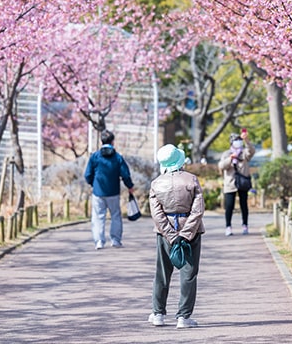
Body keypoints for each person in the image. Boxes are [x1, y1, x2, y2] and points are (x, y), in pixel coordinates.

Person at [148, 144, 205, 329]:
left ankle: (158, 313)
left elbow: (157, 215)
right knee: (188, 273)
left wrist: (172, 235)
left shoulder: (156, 183)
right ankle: (183, 316)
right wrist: (185, 234)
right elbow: (198, 210)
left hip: (164, 233)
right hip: (191, 231)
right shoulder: (192, 180)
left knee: (162, 273)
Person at [84, 130, 134, 250]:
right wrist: (130, 186)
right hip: (113, 192)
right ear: (112, 141)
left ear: (101, 141)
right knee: (115, 215)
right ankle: (116, 240)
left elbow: (87, 174)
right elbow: (125, 174)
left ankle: (99, 242)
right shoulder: (117, 157)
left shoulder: (95, 156)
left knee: (98, 217)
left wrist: (93, 184)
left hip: (98, 192)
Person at [218, 129, 255, 236]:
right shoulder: (226, 154)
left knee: (244, 205)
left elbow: (251, 151)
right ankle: (228, 226)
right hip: (230, 183)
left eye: (239, 140)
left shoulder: (244, 153)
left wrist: (246, 140)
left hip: (243, 182)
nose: (238, 142)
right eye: (236, 140)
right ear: (231, 142)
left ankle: (245, 225)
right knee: (229, 206)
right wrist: (230, 159)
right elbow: (221, 166)